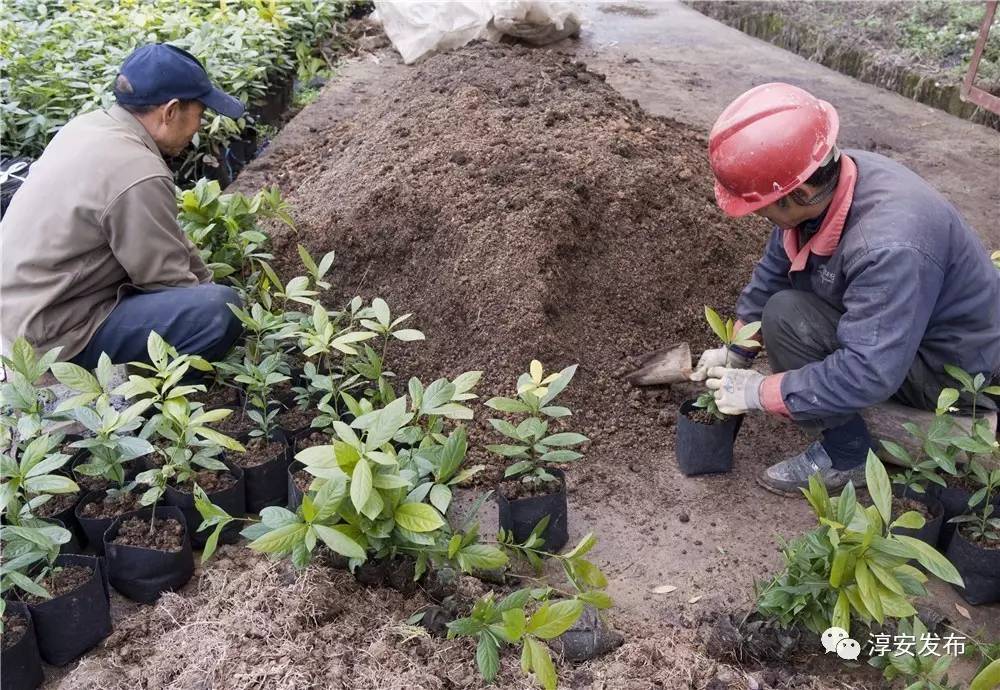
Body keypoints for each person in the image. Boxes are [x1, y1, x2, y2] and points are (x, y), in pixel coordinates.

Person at [695, 83, 1000, 496]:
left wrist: (761, 391)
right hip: (910, 325)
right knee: (783, 306)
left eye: (759, 205)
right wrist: (737, 347)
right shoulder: (827, 181)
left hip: (951, 368)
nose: (756, 215)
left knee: (787, 319)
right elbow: (774, 268)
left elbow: (869, 372)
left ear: (797, 192)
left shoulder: (890, 246)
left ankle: (847, 456)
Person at [1, 44, 246, 368]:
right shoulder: (138, 172)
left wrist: (204, 281)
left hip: (20, 310)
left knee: (210, 298)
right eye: (199, 115)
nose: (198, 127)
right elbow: (167, 282)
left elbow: (170, 241)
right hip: (51, 335)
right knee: (217, 314)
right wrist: (224, 307)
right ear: (170, 111)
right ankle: (155, 403)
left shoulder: (89, 127)